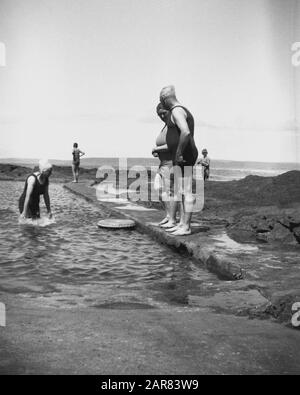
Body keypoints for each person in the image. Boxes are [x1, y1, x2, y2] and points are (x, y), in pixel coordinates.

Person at [159, 85, 198, 236]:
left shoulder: (176, 110)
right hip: (182, 155)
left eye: (161, 100)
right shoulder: (179, 110)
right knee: (181, 190)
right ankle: (182, 224)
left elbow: (186, 132)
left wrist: (179, 153)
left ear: (164, 99)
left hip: (184, 155)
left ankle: (186, 227)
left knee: (186, 191)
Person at [152, 103, 173, 226]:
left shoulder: (172, 126)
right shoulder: (165, 126)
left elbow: (172, 145)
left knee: (169, 192)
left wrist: (156, 149)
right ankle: (168, 215)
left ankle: (172, 218)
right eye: (159, 114)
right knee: (158, 189)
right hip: (162, 164)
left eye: (164, 113)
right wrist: (157, 151)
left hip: (170, 164)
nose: (161, 116)